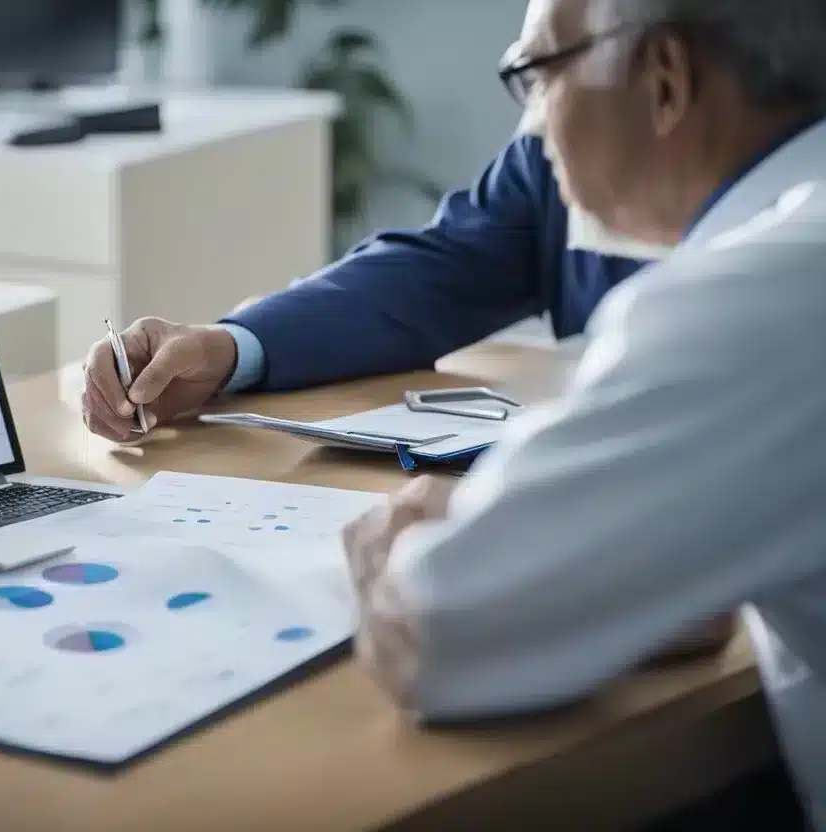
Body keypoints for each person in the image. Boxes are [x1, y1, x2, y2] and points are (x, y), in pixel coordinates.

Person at [336, 0, 826, 828]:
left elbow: (443, 631)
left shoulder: (754, 300)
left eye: (539, 75)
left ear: (666, 81)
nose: (531, 128)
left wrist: (421, 531)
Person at [79, 98, 668, 444]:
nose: (538, 107)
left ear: (666, 69)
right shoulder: (550, 157)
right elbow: (437, 272)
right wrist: (228, 351)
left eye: (548, 67)